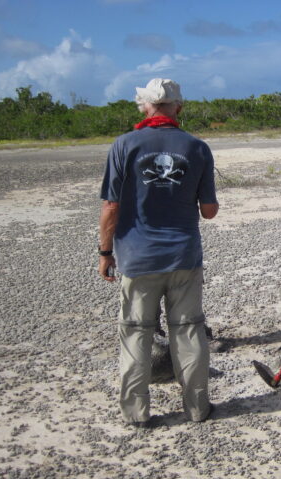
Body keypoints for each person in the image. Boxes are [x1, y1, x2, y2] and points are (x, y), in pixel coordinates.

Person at [98, 78, 218, 428]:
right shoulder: (197, 148)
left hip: (137, 258)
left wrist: (105, 252)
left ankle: (136, 414)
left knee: (136, 332)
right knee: (189, 330)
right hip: (183, 256)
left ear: (144, 105)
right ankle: (197, 409)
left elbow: (110, 207)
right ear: (178, 107)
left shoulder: (124, 145)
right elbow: (208, 211)